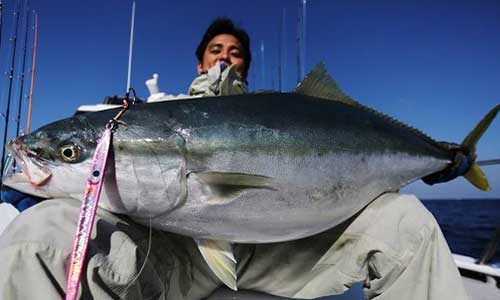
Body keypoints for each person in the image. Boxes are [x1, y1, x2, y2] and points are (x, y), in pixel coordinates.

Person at [0, 18, 469, 300]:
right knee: (38, 237)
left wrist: (433, 160)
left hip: (290, 251)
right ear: (200, 62)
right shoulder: (144, 115)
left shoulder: (290, 110)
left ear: (246, 64)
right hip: (179, 255)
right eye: (216, 50)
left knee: (409, 221)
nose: (226, 57)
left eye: (236, 52)